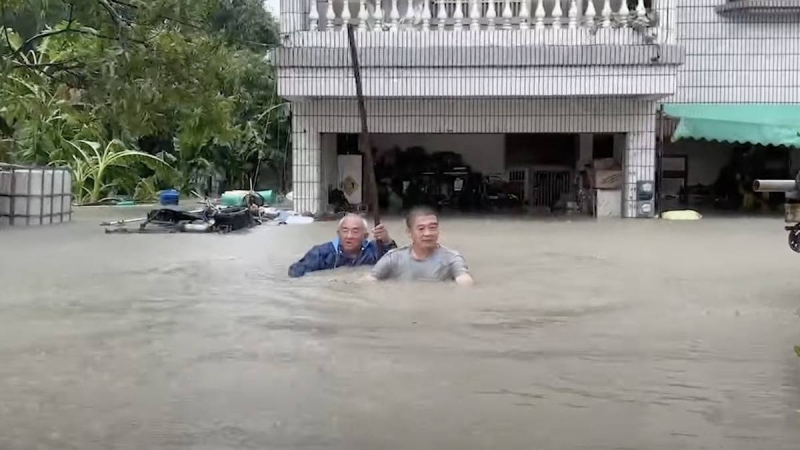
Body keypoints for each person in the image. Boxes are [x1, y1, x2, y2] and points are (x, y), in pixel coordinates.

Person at [366, 206, 474, 285]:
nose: (428, 233)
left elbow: (464, 280)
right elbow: (368, 281)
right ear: (409, 232)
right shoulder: (393, 258)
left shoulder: (451, 258)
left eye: (432, 227)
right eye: (421, 229)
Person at [288, 214, 396, 278]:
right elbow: (295, 273)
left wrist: (387, 241)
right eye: (345, 231)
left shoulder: (374, 250)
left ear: (365, 236)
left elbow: (398, 263)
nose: (349, 236)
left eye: (355, 231)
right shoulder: (321, 253)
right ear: (338, 234)